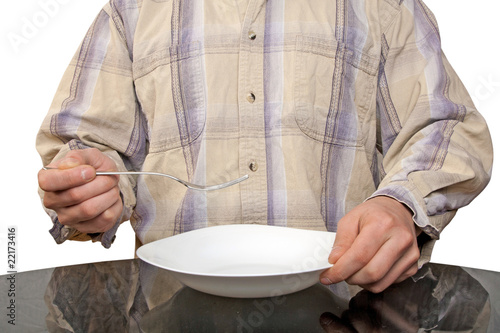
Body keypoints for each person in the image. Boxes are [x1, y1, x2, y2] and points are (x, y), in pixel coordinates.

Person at [37, 0, 493, 293]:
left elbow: (446, 126)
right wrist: (88, 180)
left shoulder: (382, 4)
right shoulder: (131, 9)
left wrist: (400, 203)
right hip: (170, 315)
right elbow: (90, 148)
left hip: (353, 313)